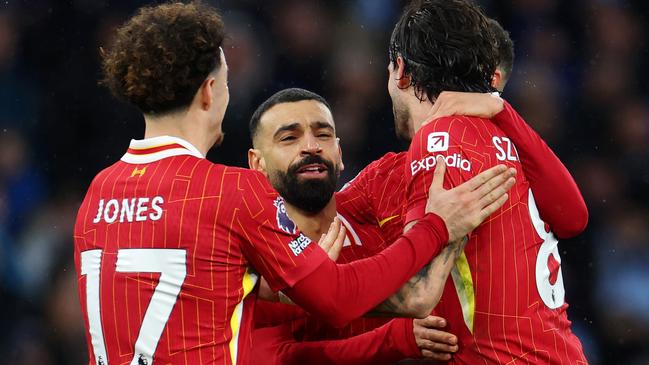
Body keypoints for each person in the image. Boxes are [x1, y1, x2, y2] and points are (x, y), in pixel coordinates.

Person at [72, 3, 515, 364]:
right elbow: (338, 300)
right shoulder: (230, 191)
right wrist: (436, 225)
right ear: (209, 92)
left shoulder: (99, 192)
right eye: (226, 80)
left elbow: (191, 282)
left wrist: (294, 278)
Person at [387, 0, 589, 363]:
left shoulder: (438, 139)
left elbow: (418, 291)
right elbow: (574, 218)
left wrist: (308, 284)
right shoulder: (508, 135)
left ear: (401, 69)